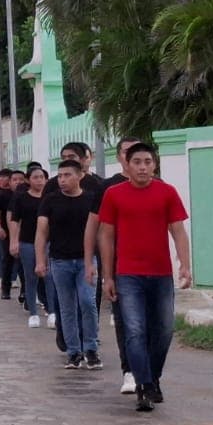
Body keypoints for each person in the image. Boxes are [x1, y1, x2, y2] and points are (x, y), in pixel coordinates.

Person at [97, 142, 192, 413]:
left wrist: (185, 265)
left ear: (154, 164)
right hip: (128, 275)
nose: (142, 167)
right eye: (136, 162)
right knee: (135, 330)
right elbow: (106, 236)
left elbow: (178, 230)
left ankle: (152, 377)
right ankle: (143, 384)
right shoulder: (114, 194)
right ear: (126, 165)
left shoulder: (167, 192)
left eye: (147, 162)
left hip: (161, 274)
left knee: (164, 330)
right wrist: (108, 276)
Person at [85, 139, 142, 393]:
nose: (135, 158)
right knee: (126, 321)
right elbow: (93, 226)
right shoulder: (107, 188)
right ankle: (129, 371)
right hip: (118, 265)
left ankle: (148, 370)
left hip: (152, 266)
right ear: (120, 157)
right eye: (128, 152)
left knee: (154, 326)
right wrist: (90, 260)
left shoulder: (159, 187)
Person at [36, 159, 102, 369]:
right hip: (59, 261)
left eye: (67, 175)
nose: (62, 180)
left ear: (80, 175)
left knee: (88, 302)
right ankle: (73, 352)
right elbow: (42, 232)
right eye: (60, 176)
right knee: (67, 307)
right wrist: (40, 260)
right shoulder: (50, 200)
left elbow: (101, 232)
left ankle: (91, 348)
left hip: (86, 261)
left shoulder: (91, 199)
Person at [10, 165, 48, 325]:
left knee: (49, 278)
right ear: (28, 180)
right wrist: (14, 241)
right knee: (31, 277)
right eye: (35, 177)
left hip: (48, 243)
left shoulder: (50, 197)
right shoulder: (22, 198)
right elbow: (15, 221)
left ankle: (51, 311)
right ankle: (33, 312)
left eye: (42, 177)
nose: (39, 180)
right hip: (27, 242)